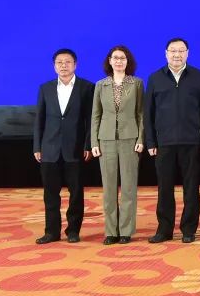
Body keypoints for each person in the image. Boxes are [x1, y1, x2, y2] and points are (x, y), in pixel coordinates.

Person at [144, 38, 200, 244]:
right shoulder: (155, 78)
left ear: (188, 53)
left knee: (191, 188)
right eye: (173, 51)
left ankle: (189, 229)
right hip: (164, 143)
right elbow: (148, 113)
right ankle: (164, 229)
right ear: (166, 53)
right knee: (164, 188)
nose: (177, 55)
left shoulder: (199, 77)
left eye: (181, 51)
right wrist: (151, 142)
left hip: (192, 142)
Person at [33, 49, 95, 244]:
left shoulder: (87, 87)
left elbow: (90, 120)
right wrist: (37, 146)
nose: (63, 65)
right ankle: (51, 232)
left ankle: (73, 230)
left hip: (75, 148)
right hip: (49, 148)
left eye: (67, 62)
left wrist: (88, 144)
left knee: (76, 193)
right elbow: (39, 119)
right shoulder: (45, 88)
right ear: (54, 66)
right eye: (59, 62)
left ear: (75, 64)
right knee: (50, 194)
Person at [91, 45, 145, 245]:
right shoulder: (101, 85)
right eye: (115, 58)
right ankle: (111, 231)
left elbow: (141, 114)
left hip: (130, 139)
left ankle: (126, 231)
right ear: (110, 61)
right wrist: (94, 141)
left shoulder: (137, 83)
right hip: (105, 140)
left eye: (123, 58)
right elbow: (95, 115)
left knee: (129, 187)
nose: (119, 61)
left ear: (128, 61)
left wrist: (141, 139)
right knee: (109, 188)